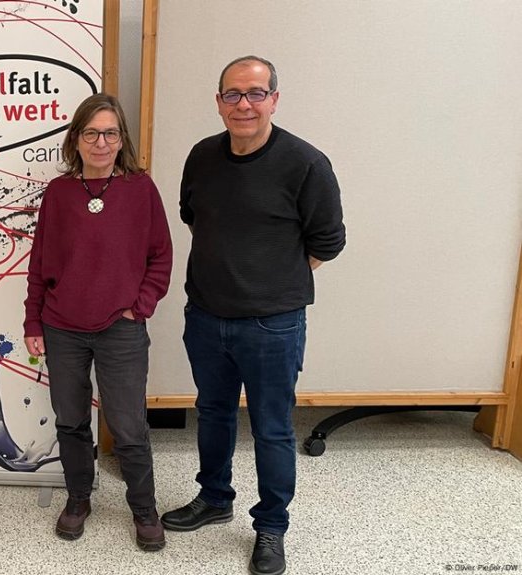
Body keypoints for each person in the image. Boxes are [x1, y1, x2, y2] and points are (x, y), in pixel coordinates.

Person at [162, 56, 346, 575]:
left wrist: (270, 280)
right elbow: (194, 216)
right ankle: (214, 498)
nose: (244, 104)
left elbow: (328, 242)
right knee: (213, 413)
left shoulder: (306, 164)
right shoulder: (202, 157)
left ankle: (270, 526)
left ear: (274, 99)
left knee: (271, 429)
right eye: (233, 94)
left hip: (273, 324)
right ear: (218, 101)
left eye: (255, 93)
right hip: (205, 315)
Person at [23, 93, 173, 551]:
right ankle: (78, 499)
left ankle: (143, 509)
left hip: (120, 329)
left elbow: (161, 255)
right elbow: (39, 263)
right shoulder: (59, 193)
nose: (101, 142)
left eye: (110, 132)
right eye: (91, 133)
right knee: (70, 421)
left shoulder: (140, 188)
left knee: (128, 427)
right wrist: (33, 321)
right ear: (76, 139)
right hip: (62, 327)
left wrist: (140, 306)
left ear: (121, 138)